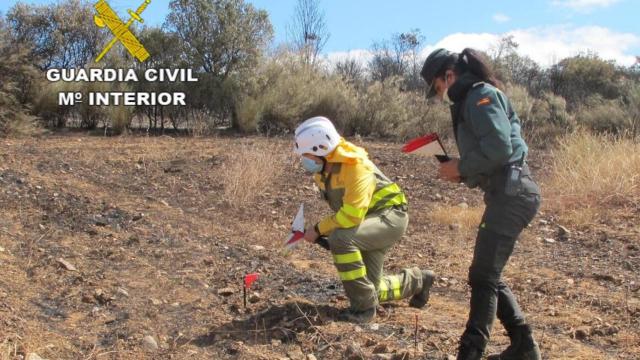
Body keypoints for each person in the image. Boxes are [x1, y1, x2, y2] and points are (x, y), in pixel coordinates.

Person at [420, 48, 542, 360]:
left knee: (483, 276)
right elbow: (493, 156)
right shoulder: (471, 98)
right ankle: (523, 347)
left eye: (436, 86)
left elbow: (501, 149)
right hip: (507, 193)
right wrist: (460, 173)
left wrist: (460, 167)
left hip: (513, 195)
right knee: (487, 273)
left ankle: (471, 351)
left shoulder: (479, 96)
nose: (439, 94)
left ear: (448, 75)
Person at [293, 116, 436, 323]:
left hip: (390, 218)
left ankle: (363, 310)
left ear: (321, 150)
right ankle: (419, 280)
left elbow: (350, 215)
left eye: (306, 155)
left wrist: (318, 229)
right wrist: (320, 232)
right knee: (371, 288)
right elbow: (347, 214)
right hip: (367, 222)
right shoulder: (324, 170)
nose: (303, 160)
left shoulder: (355, 166)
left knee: (341, 239)